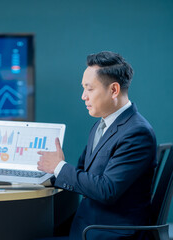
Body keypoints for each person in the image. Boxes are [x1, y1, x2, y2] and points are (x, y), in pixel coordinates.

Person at [37, 51, 156, 239]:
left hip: (107, 232)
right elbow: (84, 174)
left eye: (89, 89)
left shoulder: (137, 133)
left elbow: (107, 190)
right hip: (86, 224)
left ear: (114, 90)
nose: (83, 96)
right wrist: (44, 175)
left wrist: (59, 167)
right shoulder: (101, 125)